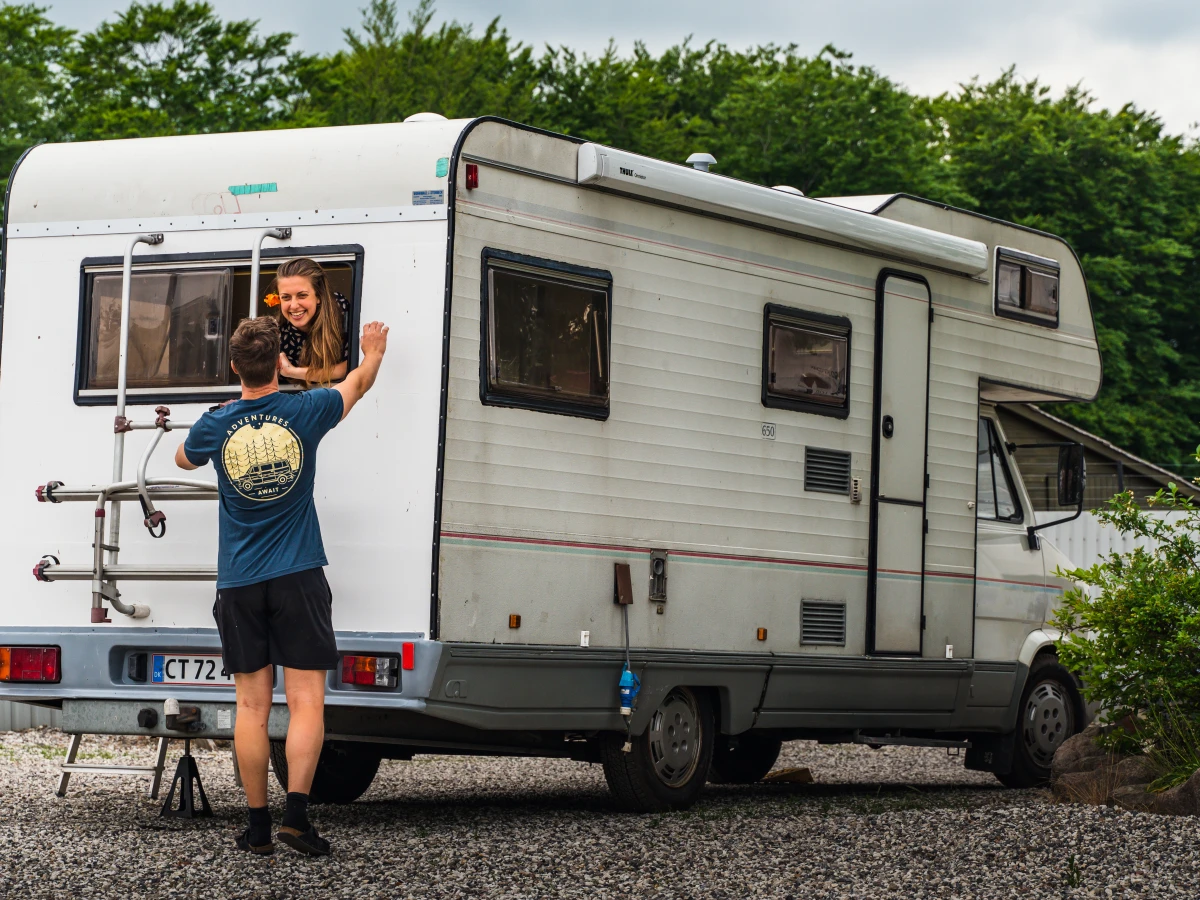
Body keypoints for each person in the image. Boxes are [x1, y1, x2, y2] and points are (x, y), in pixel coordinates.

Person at [175, 314, 389, 857]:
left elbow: (183, 457)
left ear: (233, 367)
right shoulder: (305, 410)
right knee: (306, 702)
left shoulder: (216, 423)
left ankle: (257, 827)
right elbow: (358, 383)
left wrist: (216, 423)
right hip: (298, 576)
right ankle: (297, 819)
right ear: (277, 364)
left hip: (240, 582)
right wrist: (373, 353)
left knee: (250, 707)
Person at [268, 257, 350, 386]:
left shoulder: (339, 310)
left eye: (302, 295)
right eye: (286, 297)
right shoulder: (276, 333)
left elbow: (348, 367)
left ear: (319, 296)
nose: (294, 305)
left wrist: (292, 372)